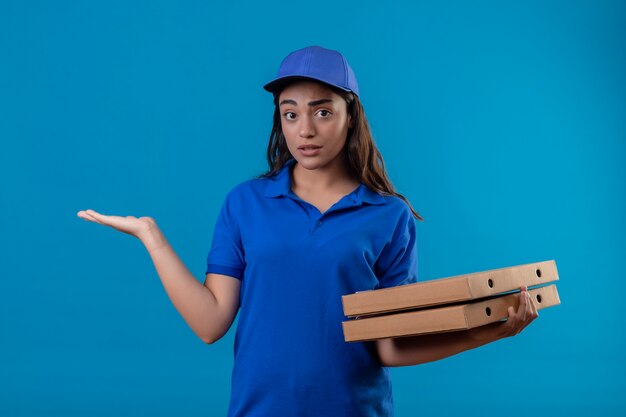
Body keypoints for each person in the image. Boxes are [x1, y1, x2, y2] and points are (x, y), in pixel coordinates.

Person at [77, 45, 538, 417]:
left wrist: (492, 331)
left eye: (322, 111)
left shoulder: (388, 215)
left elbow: (391, 346)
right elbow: (210, 322)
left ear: (350, 114)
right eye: (290, 113)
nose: (305, 130)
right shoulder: (245, 202)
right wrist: (151, 237)